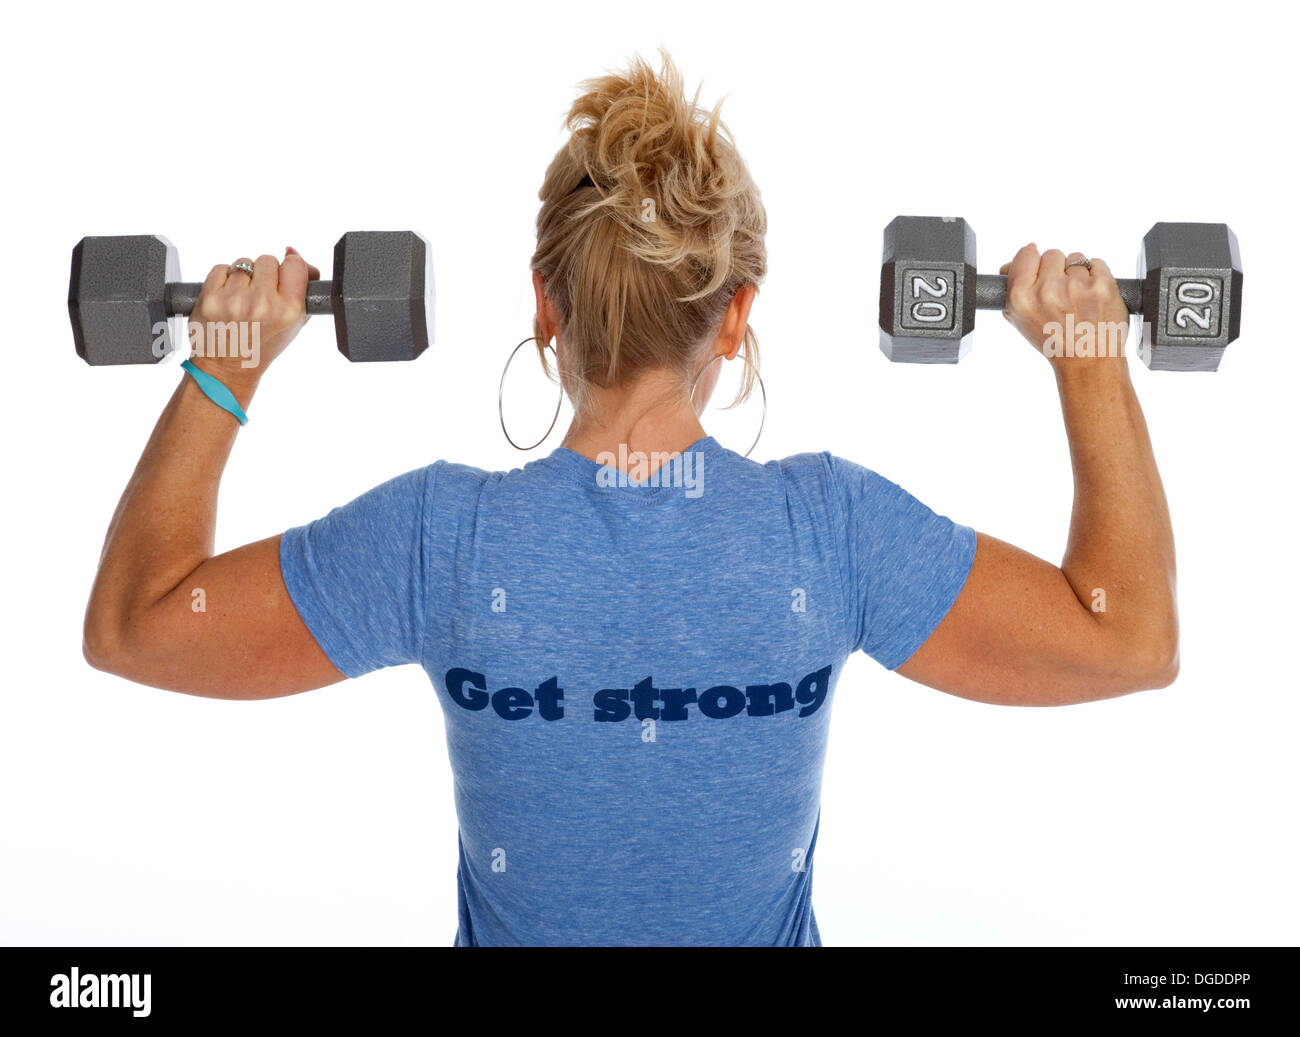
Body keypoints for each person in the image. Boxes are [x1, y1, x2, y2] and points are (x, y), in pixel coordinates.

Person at [81, 53, 1178, 947]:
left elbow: (138, 622)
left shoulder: (439, 541)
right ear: (736, 315)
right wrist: (1087, 356)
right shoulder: (831, 534)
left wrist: (224, 364)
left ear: (546, 306)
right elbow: (1125, 636)